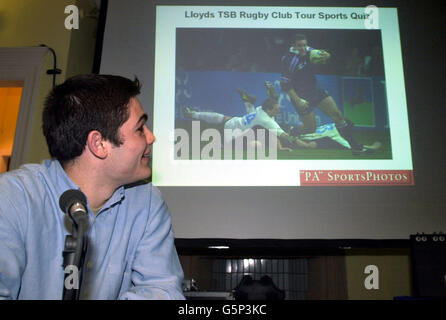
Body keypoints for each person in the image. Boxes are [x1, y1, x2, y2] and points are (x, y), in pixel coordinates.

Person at [0, 74, 185, 300]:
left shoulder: (147, 202)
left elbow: (164, 290)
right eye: (140, 128)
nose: (151, 137)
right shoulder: (12, 198)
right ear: (98, 144)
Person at [280, 34, 380, 155]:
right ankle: (293, 131)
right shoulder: (288, 60)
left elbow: (323, 54)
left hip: (316, 91)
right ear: (293, 45)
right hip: (301, 97)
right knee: (310, 128)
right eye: (299, 46)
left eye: (305, 45)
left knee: (337, 115)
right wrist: (298, 100)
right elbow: (285, 84)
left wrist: (327, 55)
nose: (303, 48)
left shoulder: (308, 51)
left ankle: (356, 147)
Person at [182, 82, 317, 151]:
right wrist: (306, 145)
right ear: (269, 110)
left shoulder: (262, 110)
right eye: (276, 109)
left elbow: (273, 131)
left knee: (221, 117)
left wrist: (280, 148)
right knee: (256, 145)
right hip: (234, 134)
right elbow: (285, 136)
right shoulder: (265, 119)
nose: (279, 110)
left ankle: (193, 114)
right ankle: (223, 144)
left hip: (234, 122)